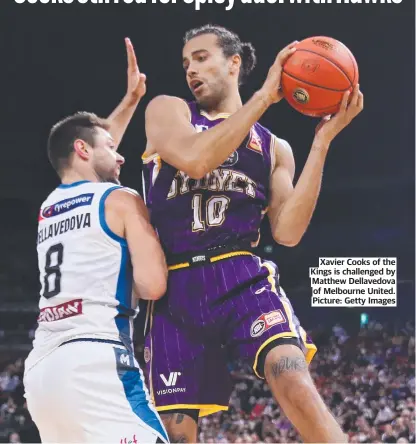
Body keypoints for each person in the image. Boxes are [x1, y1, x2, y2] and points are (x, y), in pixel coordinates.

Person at [110, 25, 364, 443]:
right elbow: (195, 159)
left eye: (202, 57)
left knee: (293, 378)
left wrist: (322, 143)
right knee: (177, 434)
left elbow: (287, 233)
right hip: (174, 287)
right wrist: (265, 96)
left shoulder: (274, 147)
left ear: (234, 63)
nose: (191, 68)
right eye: (186, 62)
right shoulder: (168, 111)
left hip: (240, 275)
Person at [23, 39, 169, 443]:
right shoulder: (121, 200)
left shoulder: (48, 207)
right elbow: (153, 284)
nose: (121, 155)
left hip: (42, 373)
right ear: (83, 149)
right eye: (112, 148)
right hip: (96, 358)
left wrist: (131, 99)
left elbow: (92, 152)